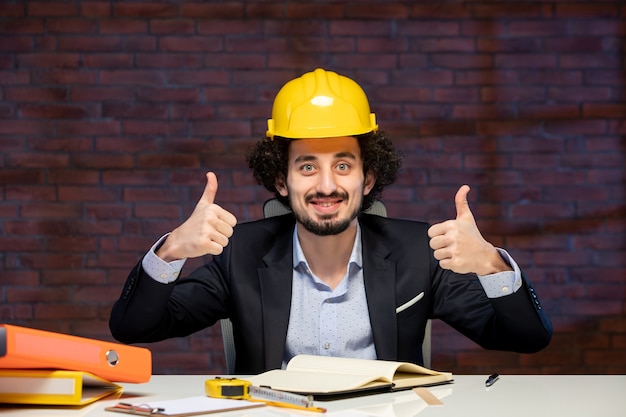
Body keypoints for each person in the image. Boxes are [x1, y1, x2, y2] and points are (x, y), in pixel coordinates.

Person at [110, 68, 552, 374]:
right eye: (306, 167)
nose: (326, 185)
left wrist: (492, 264)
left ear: (369, 176)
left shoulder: (419, 252)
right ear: (280, 181)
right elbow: (135, 327)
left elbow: (527, 338)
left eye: (343, 165)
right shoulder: (240, 253)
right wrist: (170, 251)